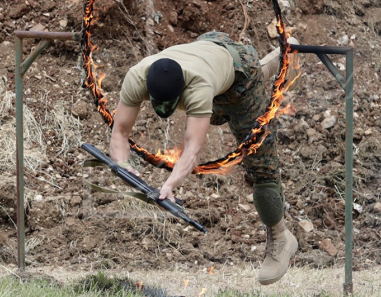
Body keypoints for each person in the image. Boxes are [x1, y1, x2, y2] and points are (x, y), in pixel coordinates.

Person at [109, 31, 299, 285]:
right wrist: (123, 165)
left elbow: (193, 149)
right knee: (224, 97)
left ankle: (280, 238)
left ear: (183, 92)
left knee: (258, 158)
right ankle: (275, 59)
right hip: (211, 47)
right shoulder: (137, 76)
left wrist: (170, 185)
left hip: (238, 82)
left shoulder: (198, 86)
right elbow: (119, 132)